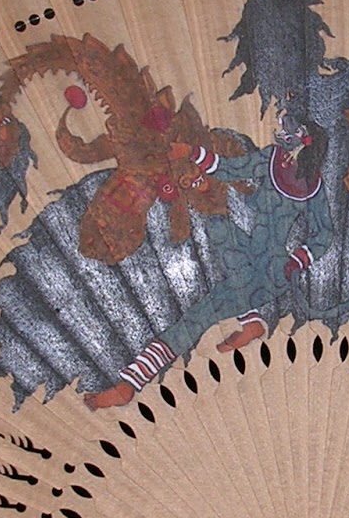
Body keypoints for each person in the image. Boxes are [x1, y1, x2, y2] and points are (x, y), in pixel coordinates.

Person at [83, 119, 331, 409]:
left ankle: (130, 383)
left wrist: (298, 259)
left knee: (199, 315)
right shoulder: (272, 159)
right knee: (217, 226)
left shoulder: (312, 187)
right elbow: (232, 168)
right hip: (249, 253)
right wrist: (192, 153)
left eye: (293, 131)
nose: (284, 133)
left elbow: (325, 233)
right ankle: (251, 321)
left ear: (304, 143)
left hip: (270, 273)